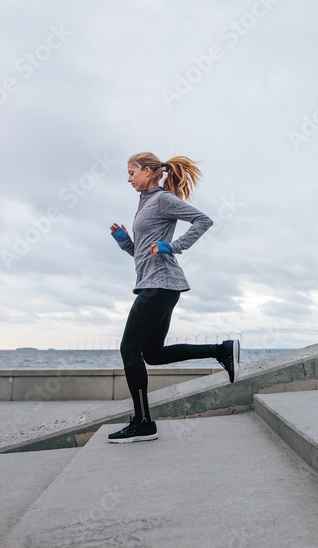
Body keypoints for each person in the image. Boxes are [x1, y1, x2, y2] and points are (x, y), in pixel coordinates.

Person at [106, 152, 239, 443]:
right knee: (152, 354)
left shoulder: (162, 199)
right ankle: (222, 350)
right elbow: (143, 253)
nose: (128, 178)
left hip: (160, 286)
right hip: (155, 285)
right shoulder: (144, 205)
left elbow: (203, 221)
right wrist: (125, 243)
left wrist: (173, 246)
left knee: (129, 349)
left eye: (132, 172)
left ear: (149, 171)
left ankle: (143, 422)